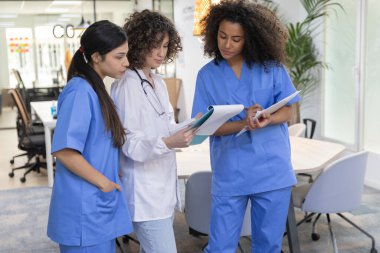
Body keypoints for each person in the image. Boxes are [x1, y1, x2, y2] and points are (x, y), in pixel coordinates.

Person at [191, 1, 300, 252]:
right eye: (222, 36)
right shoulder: (207, 75)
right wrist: (243, 123)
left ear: (250, 39)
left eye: (236, 39)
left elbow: (287, 109)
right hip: (231, 173)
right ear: (213, 33)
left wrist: (267, 118)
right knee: (220, 247)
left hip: (272, 170)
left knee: (268, 245)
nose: (227, 44)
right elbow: (202, 127)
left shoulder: (271, 68)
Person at [111, 10, 195, 253]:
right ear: (138, 44)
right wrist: (168, 142)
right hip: (145, 193)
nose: (161, 52)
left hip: (163, 188)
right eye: (154, 45)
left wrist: (192, 123)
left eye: (166, 46)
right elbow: (129, 143)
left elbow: (165, 125)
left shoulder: (157, 82)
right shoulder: (127, 85)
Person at [47, 20, 133, 253]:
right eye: (119, 56)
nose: (126, 62)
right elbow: (64, 151)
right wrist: (103, 182)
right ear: (96, 56)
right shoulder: (80, 91)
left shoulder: (96, 88)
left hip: (96, 204)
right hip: (84, 208)